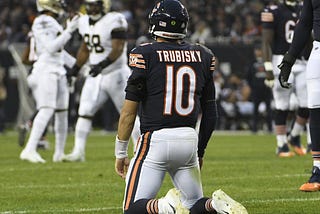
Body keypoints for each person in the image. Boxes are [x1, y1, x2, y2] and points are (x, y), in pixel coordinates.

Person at [114, 0, 248, 213]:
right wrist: (200, 150)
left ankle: (165, 207)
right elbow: (211, 113)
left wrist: (120, 152)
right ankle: (215, 205)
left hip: (155, 140)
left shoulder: (145, 54)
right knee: (193, 205)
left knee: (131, 208)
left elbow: (128, 113)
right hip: (188, 139)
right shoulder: (203, 54)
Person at [63, 0, 140, 162]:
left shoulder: (115, 19)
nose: (91, 8)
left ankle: (139, 150)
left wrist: (102, 64)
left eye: (94, 5)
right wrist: (75, 69)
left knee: (129, 113)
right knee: (84, 112)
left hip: (116, 73)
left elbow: (118, 47)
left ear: (103, 5)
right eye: (89, 5)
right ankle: (78, 151)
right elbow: (85, 48)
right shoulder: (84, 21)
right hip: (96, 74)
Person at [19, 0, 79, 163]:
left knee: (62, 112)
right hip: (46, 71)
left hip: (57, 69)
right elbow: (51, 48)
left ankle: (58, 154)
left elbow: (59, 53)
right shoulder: (42, 21)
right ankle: (29, 149)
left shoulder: (52, 22)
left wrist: (79, 65)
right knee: (46, 109)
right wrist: (70, 30)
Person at [278, 0, 320, 192]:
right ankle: (318, 170)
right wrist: (289, 59)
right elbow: (305, 22)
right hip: (318, 50)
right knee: (315, 106)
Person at [261, 0, 310, 157]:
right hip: (280, 60)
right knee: (282, 105)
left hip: (301, 60)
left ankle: (294, 135)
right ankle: (281, 144)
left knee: (308, 104)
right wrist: (268, 66)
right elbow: (266, 41)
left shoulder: (304, 7)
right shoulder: (273, 10)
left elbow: (308, 35)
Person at [246, 44, 273, 133]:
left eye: (260, 50)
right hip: (256, 90)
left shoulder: (268, 61)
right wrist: (252, 86)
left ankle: (269, 128)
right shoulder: (252, 62)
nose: (258, 52)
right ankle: (254, 128)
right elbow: (248, 76)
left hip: (266, 89)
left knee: (269, 110)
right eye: (257, 50)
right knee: (255, 110)